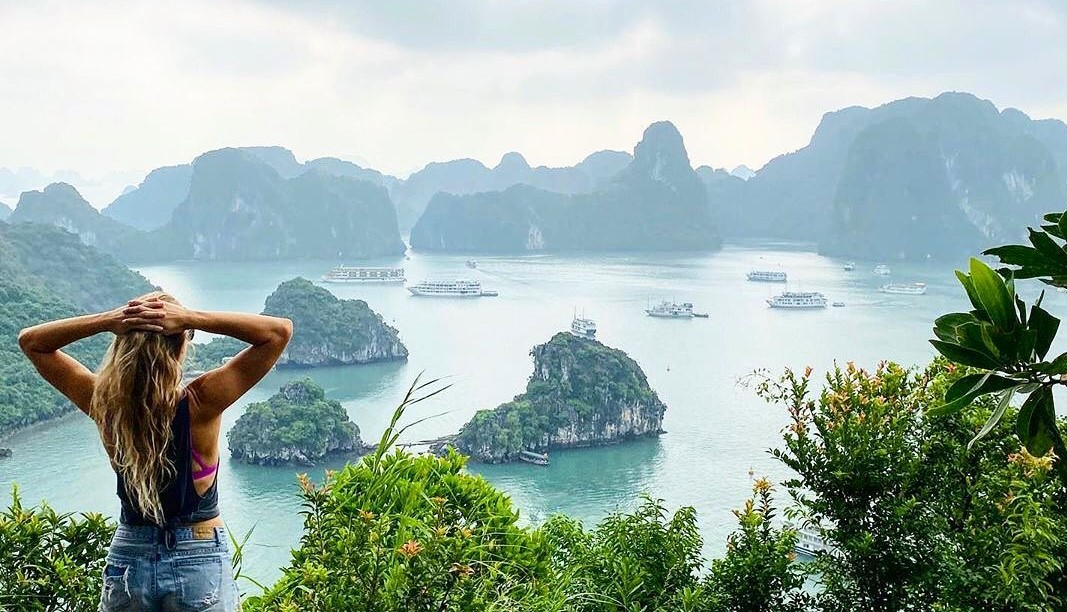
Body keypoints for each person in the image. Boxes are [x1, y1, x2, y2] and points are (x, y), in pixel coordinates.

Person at [18, 292, 292, 611]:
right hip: (198, 550)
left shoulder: (105, 404)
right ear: (180, 346)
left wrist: (109, 320)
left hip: (129, 556)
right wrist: (191, 318)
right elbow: (278, 332)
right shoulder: (202, 402)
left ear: (122, 347)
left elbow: (32, 342)